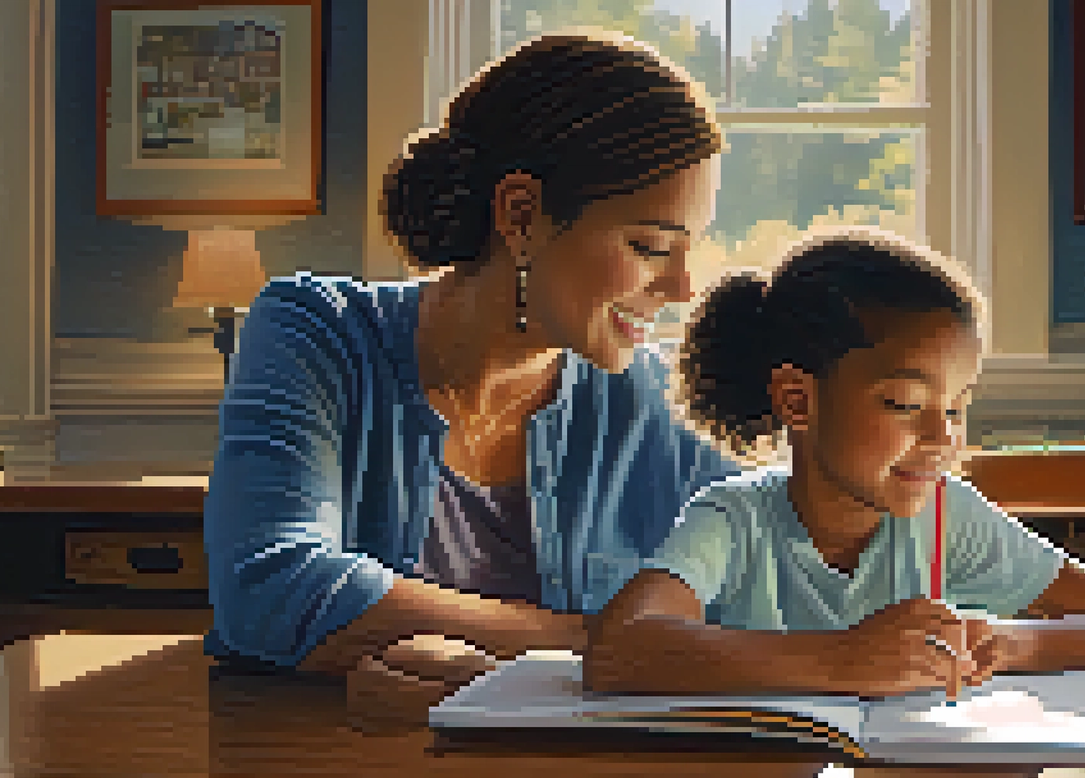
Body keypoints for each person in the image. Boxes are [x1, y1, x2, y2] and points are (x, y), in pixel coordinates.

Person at [202, 31, 741, 701]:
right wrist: (610, 643)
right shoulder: (318, 333)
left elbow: (769, 607)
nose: (685, 287)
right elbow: (270, 586)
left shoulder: (658, 403)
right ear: (522, 216)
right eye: (651, 245)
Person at [586, 229, 1085, 699]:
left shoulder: (948, 516)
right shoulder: (734, 520)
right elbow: (618, 649)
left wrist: (1007, 643)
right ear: (799, 399)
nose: (942, 435)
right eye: (904, 404)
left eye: (956, 407)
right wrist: (841, 659)